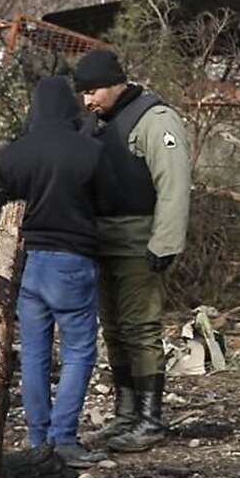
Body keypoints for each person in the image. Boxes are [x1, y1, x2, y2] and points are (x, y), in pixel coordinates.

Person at [0, 76, 116, 470]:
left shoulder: (11, 155)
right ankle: (63, 439)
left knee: (33, 355)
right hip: (72, 261)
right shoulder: (91, 151)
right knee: (79, 352)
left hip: (28, 263)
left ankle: (36, 439)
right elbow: (109, 206)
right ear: (69, 107)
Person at [75, 49, 192, 454]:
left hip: (140, 241)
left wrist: (165, 244)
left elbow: (174, 186)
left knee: (141, 329)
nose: (88, 100)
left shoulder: (155, 120)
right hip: (101, 241)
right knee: (114, 329)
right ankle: (125, 414)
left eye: (93, 91)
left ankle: (149, 418)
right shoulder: (95, 123)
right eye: (82, 93)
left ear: (116, 82)